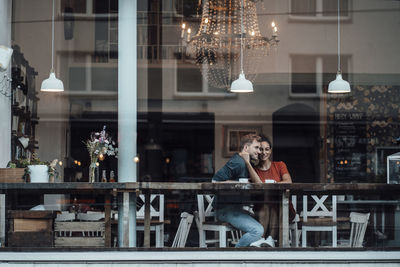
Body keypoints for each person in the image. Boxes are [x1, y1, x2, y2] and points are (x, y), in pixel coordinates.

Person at [212, 134, 270, 248]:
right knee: (257, 230)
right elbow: (214, 181)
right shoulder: (237, 162)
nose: (259, 151)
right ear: (246, 148)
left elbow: (259, 184)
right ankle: (234, 257)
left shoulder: (246, 163)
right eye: (256, 148)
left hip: (234, 208)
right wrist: (236, 183)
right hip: (224, 210)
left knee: (262, 217)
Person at [240, 135, 292, 247]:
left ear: (271, 150)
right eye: (260, 149)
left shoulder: (279, 165)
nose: (264, 152)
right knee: (266, 204)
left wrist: (273, 185)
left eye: (267, 149)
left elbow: (288, 181)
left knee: (271, 203)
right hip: (260, 208)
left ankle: (266, 238)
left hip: (283, 206)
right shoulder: (254, 170)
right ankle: (269, 239)